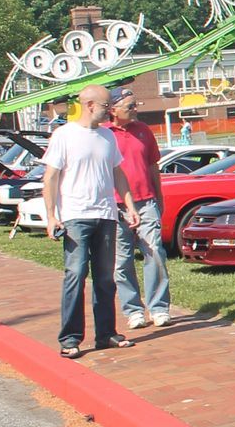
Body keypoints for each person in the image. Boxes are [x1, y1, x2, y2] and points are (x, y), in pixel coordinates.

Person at [42, 86, 140, 359]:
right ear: (88, 105)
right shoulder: (64, 135)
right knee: (75, 275)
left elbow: (118, 173)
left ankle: (106, 334)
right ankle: (70, 338)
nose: (110, 110)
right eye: (105, 105)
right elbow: (50, 177)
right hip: (75, 216)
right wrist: (51, 216)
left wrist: (129, 206)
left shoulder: (107, 136)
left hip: (106, 215)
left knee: (105, 277)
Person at [105, 88, 171, 329]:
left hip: (146, 201)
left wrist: (159, 196)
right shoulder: (104, 134)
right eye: (130, 106)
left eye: (135, 105)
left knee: (155, 253)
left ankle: (159, 307)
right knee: (121, 261)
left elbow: (153, 166)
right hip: (115, 205)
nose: (135, 110)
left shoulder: (143, 131)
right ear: (113, 110)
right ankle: (133, 310)